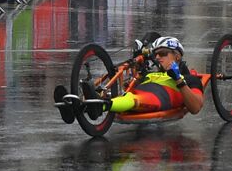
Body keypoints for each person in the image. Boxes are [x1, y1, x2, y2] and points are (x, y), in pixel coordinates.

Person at [53, 36, 203, 121]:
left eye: (163, 53)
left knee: (133, 99)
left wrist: (179, 80)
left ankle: (100, 105)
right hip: (142, 90)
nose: (158, 57)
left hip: (160, 96)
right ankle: (74, 107)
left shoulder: (189, 79)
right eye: (155, 54)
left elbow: (196, 107)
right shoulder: (150, 74)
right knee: (126, 96)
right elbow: (127, 86)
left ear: (177, 56)